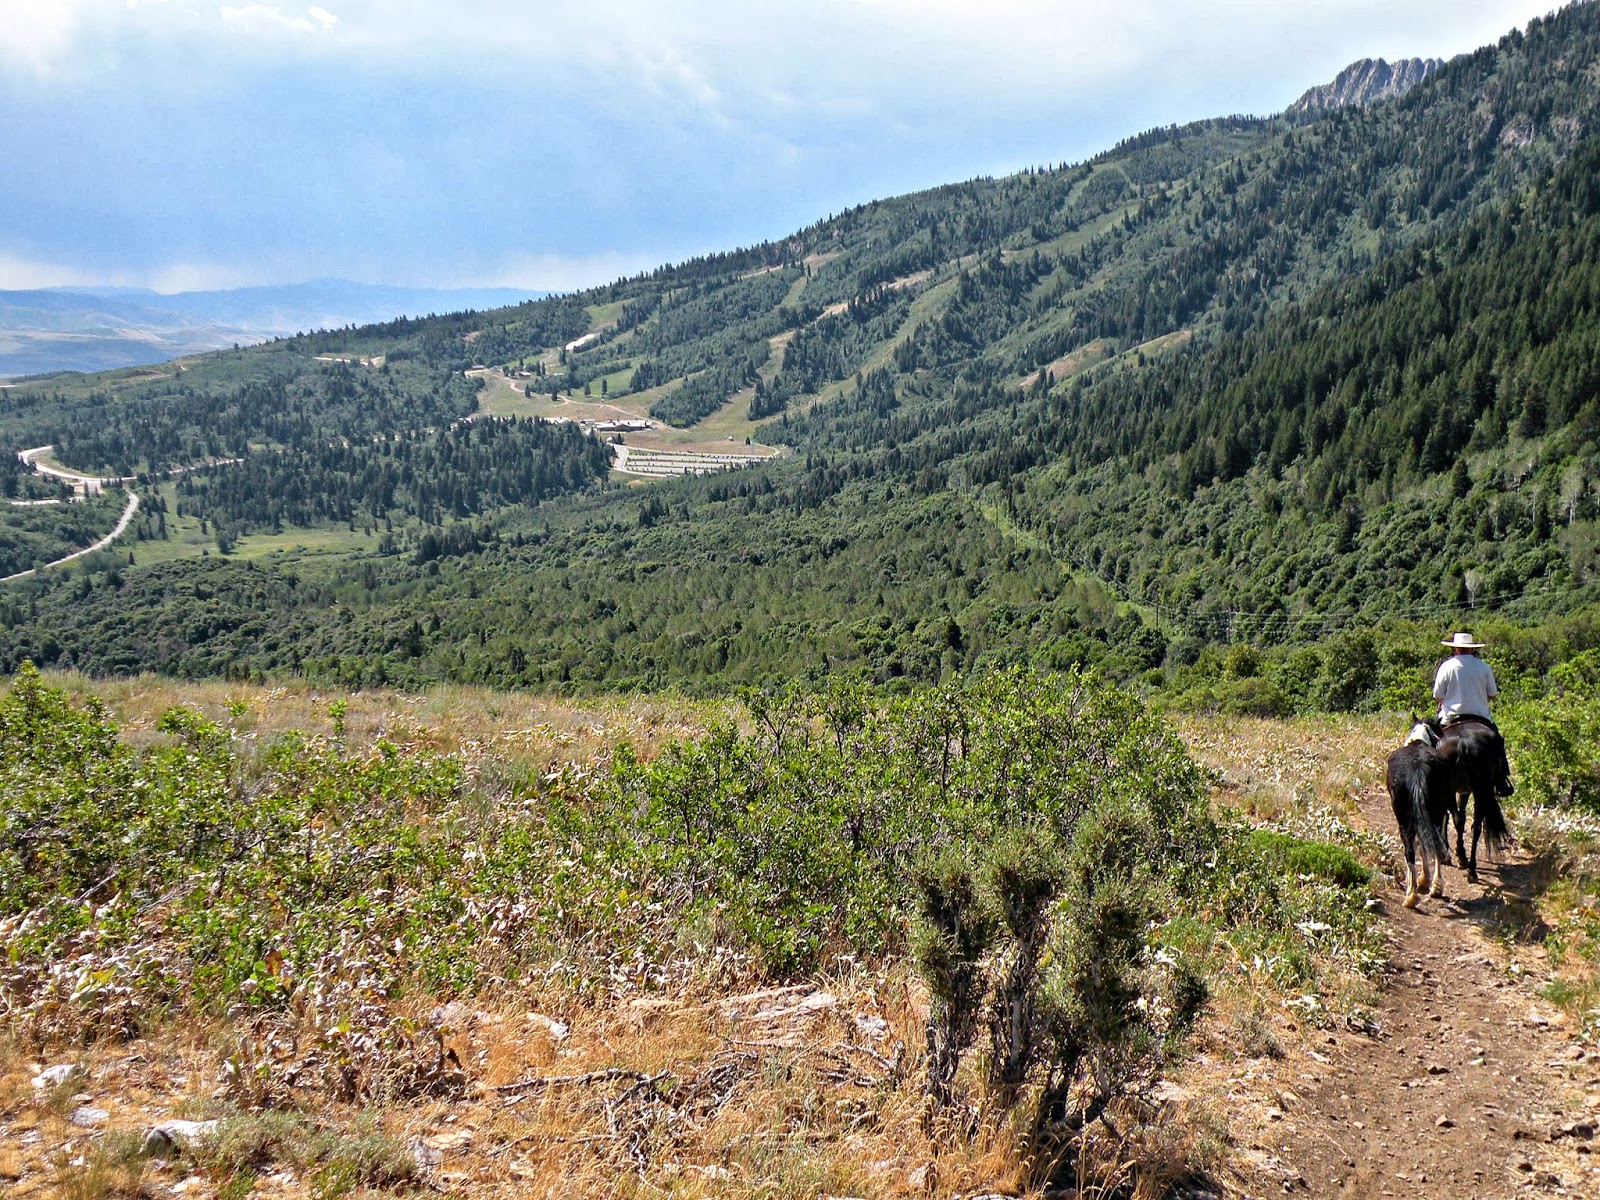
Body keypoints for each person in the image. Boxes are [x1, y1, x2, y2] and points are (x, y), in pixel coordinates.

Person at [1433, 631, 1513, 795]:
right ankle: (1502, 779)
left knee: (1430, 741)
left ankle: (1429, 776)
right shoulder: (1484, 667)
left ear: (1455, 649)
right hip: (1480, 717)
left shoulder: (1446, 666)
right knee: (1497, 741)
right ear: (1471, 649)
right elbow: (1492, 695)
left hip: (1450, 717)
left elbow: (1437, 695)